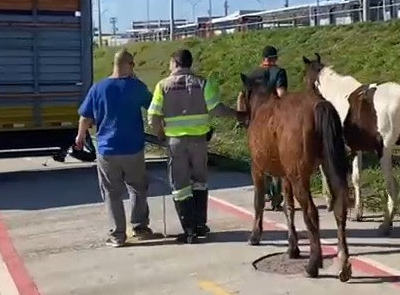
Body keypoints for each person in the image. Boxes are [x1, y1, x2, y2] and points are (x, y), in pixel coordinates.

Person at [148, 48, 246, 244]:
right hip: (199, 142)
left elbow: (152, 117)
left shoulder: (163, 86)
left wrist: (160, 132)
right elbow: (216, 109)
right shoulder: (203, 83)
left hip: (176, 143)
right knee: (200, 181)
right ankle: (201, 224)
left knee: (180, 186)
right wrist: (237, 114)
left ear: (175, 63)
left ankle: (189, 229)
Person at [76, 49, 157, 248]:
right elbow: (155, 108)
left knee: (111, 192)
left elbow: (85, 117)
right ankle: (140, 228)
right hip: (133, 148)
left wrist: (80, 136)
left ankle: (118, 235)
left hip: (106, 149)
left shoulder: (98, 88)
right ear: (129, 65)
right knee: (137, 187)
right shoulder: (136, 87)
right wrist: (161, 130)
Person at [247, 45, 288, 211]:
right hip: (274, 119)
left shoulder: (253, 75)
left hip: (256, 121)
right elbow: (281, 95)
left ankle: (262, 193)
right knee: (277, 157)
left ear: (263, 58)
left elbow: (243, 99)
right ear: (275, 58)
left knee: (259, 157)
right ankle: (276, 197)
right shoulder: (279, 72)